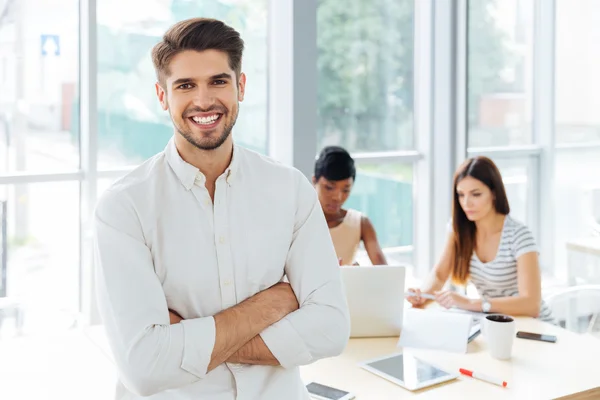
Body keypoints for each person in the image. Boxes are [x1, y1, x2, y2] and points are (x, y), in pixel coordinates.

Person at [93, 18, 350, 400]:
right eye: (185, 85)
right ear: (162, 96)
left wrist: (185, 339)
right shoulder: (123, 208)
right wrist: (272, 304)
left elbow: (331, 328)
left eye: (218, 81)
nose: (203, 101)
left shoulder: (290, 189)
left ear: (240, 86)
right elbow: (143, 367)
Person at [406, 156, 553, 321]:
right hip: (498, 324)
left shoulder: (519, 236)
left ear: (494, 193)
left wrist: (471, 303)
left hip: (536, 326)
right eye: (461, 195)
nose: (466, 203)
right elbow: (440, 275)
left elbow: (531, 305)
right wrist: (423, 294)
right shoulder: (459, 230)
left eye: (476, 194)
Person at [313, 146, 387, 266]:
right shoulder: (298, 220)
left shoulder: (360, 223)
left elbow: (385, 272)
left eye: (346, 190)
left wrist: (359, 275)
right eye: (329, 187)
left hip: (347, 285)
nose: (337, 197)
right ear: (314, 181)